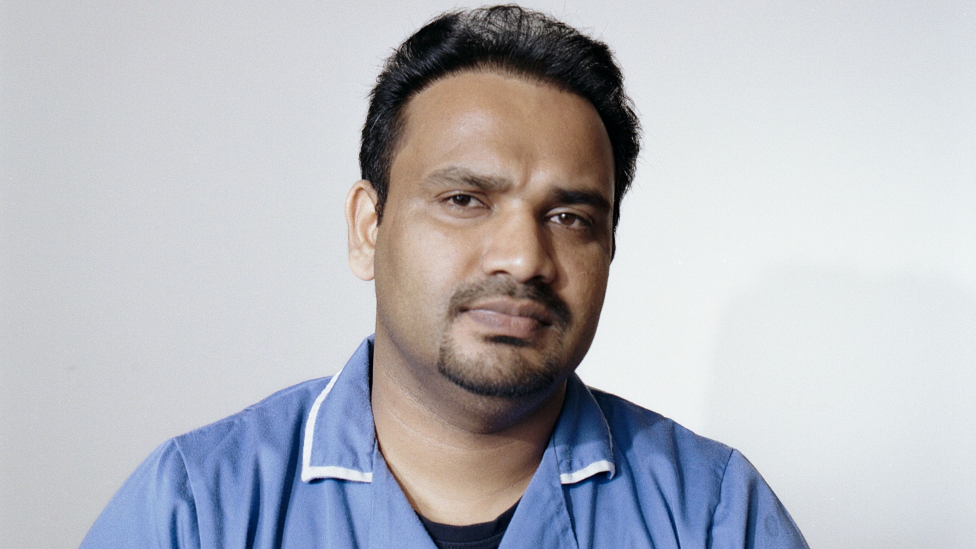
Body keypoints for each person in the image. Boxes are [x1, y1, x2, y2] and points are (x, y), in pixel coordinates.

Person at [80, 5, 809, 548]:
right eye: (465, 200)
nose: (523, 257)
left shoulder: (714, 516)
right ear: (369, 227)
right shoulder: (200, 508)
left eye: (570, 217)